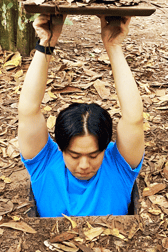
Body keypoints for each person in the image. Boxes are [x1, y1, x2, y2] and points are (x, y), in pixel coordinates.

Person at [17, 14, 144, 217]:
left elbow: (134, 119)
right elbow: (28, 110)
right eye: (74, 155)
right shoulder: (45, 164)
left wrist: (113, 46)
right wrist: (46, 45)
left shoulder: (118, 167)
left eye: (94, 155)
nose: (84, 165)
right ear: (61, 148)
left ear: (106, 148)